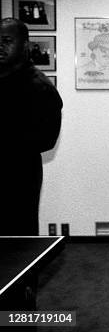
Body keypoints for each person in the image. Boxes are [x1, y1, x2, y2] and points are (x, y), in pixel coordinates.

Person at [0, 18, 62, 236]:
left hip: (17, 180)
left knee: (17, 243)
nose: (0, 46)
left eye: (7, 40)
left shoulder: (38, 86)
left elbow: (46, 138)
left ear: (25, 45)